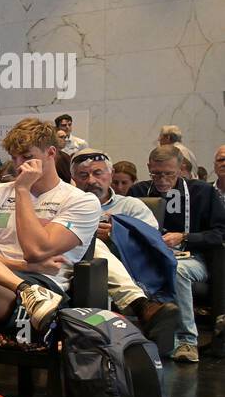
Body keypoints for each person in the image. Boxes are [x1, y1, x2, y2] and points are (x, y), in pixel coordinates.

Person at [0, 119, 101, 353]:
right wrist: (25, 268)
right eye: (14, 158)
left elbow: (36, 250)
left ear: (50, 153)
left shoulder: (81, 201)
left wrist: (22, 190)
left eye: (27, 157)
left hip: (48, 291)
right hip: (11, 277)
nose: (19, 166)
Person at [69, 149, 179, 350]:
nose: (91, 180)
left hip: (128, 269)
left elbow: (152, 243)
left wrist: (116, 233)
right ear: (74, 179)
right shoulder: (67, 205)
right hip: (74, 267)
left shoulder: (132, 206)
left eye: (98, 173)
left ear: (110, 175)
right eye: (83, 175)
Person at [130, 145, 225, 363]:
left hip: (192, 259)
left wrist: (184, 237)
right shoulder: (138, 192)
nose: (162, 180)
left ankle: (186, 340)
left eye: (169, 174)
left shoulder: (202, 192)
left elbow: (219, 234)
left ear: (181, 168)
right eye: (156, 174)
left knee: (177, 270)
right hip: (150, 259)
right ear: (148, 168)